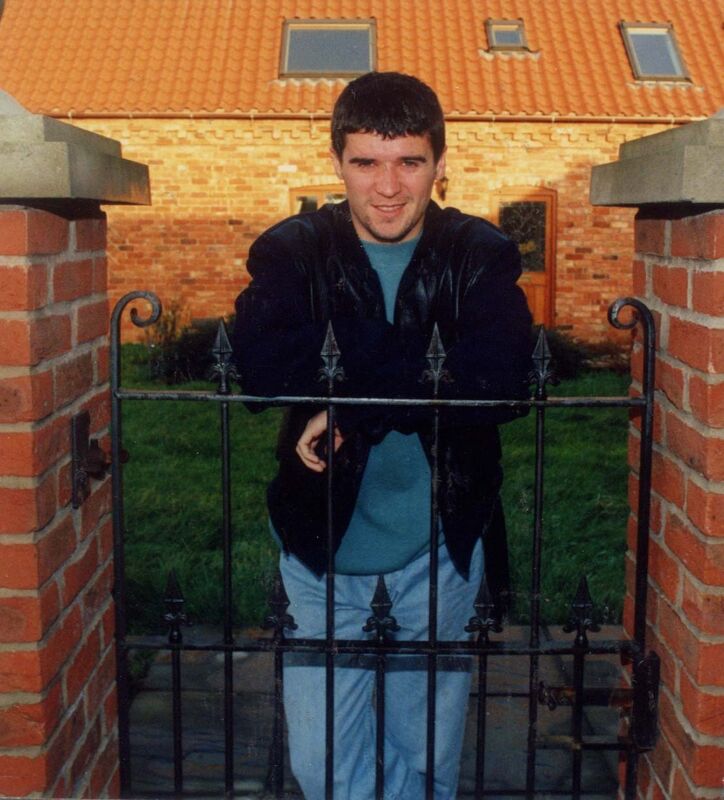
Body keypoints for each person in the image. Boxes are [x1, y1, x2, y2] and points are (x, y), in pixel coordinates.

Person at [232, 71, 532, 800]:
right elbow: (261, 364)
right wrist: (412, 368)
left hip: (441, 549)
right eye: (367, 162)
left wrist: (347, 399)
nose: (389, 187)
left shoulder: (479, 254)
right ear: (337, 162)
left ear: (438, 162)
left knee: (424, 756)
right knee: (325, 767)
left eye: (409, 162)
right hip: (322, 545)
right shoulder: (293, 250)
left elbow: (501, 380)